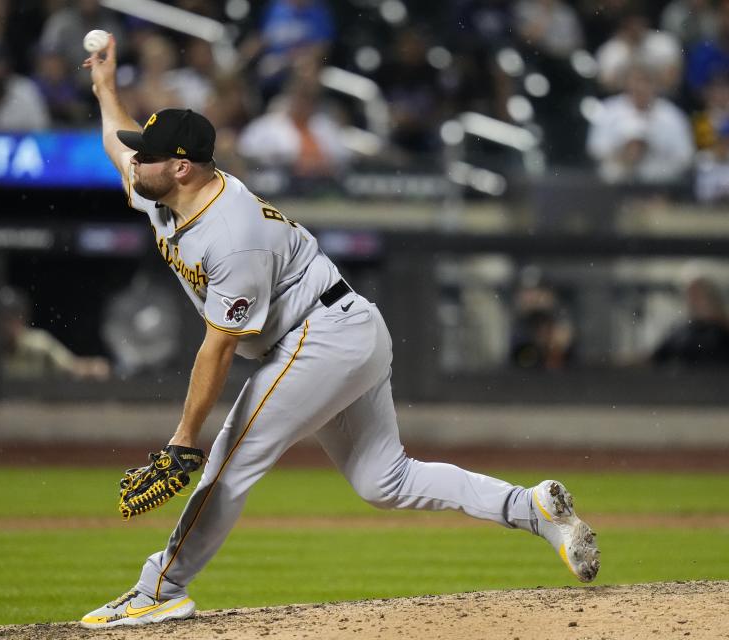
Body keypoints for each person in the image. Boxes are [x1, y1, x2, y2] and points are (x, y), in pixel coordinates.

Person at [76, 34, 600, 628]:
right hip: (345, 329)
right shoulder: (162, 190)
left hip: (319, 334)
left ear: (182, 166)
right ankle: (530, 509)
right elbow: (118, 148)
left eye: (145, 154)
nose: (132, 162)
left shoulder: (230, 233)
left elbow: (218, 347)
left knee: (228, 462)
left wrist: (182, 438)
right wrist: (105, 89)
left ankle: (159, 589)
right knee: (385, 478)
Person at [0, 286, 109, 380]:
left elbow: (72, 368)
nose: (7, 325)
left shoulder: (40, 345)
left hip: (30, 419)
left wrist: (94, 368)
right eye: (1, 318)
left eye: (13, 317)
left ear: (23, 319)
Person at [587, 64, 694, 184]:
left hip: (660, 180)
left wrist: (652, 149)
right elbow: (596, 149)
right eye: (636, 81)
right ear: (626, 83)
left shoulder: (673, 115)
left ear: (656, 84)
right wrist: (624, 152)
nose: (640, 87)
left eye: (646, 81)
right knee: (610, 171)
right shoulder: (608, 110)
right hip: (617, 178)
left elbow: (685, 156)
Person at [651, 277, 729, 371]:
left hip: (724, 387)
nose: (693, 301)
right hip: (688, 388)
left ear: (711, 296)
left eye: (698, 296)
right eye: (690, 296)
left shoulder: (725, 325)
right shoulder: (682, 330)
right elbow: (655, 358)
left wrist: (717, 316)